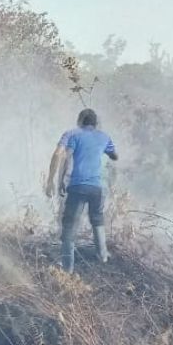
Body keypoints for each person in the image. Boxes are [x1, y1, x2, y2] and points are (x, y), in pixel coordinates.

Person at [44, 108, 117, 272]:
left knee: (69, 227)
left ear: (79, 120)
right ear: (95, 123)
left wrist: (54, 180)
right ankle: (103, 257)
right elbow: (113, 156)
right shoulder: (103, 136)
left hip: (77, 186)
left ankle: (67, 271)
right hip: (97, 188)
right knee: (97, 220)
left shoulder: (71, 134)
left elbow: (60, 155)